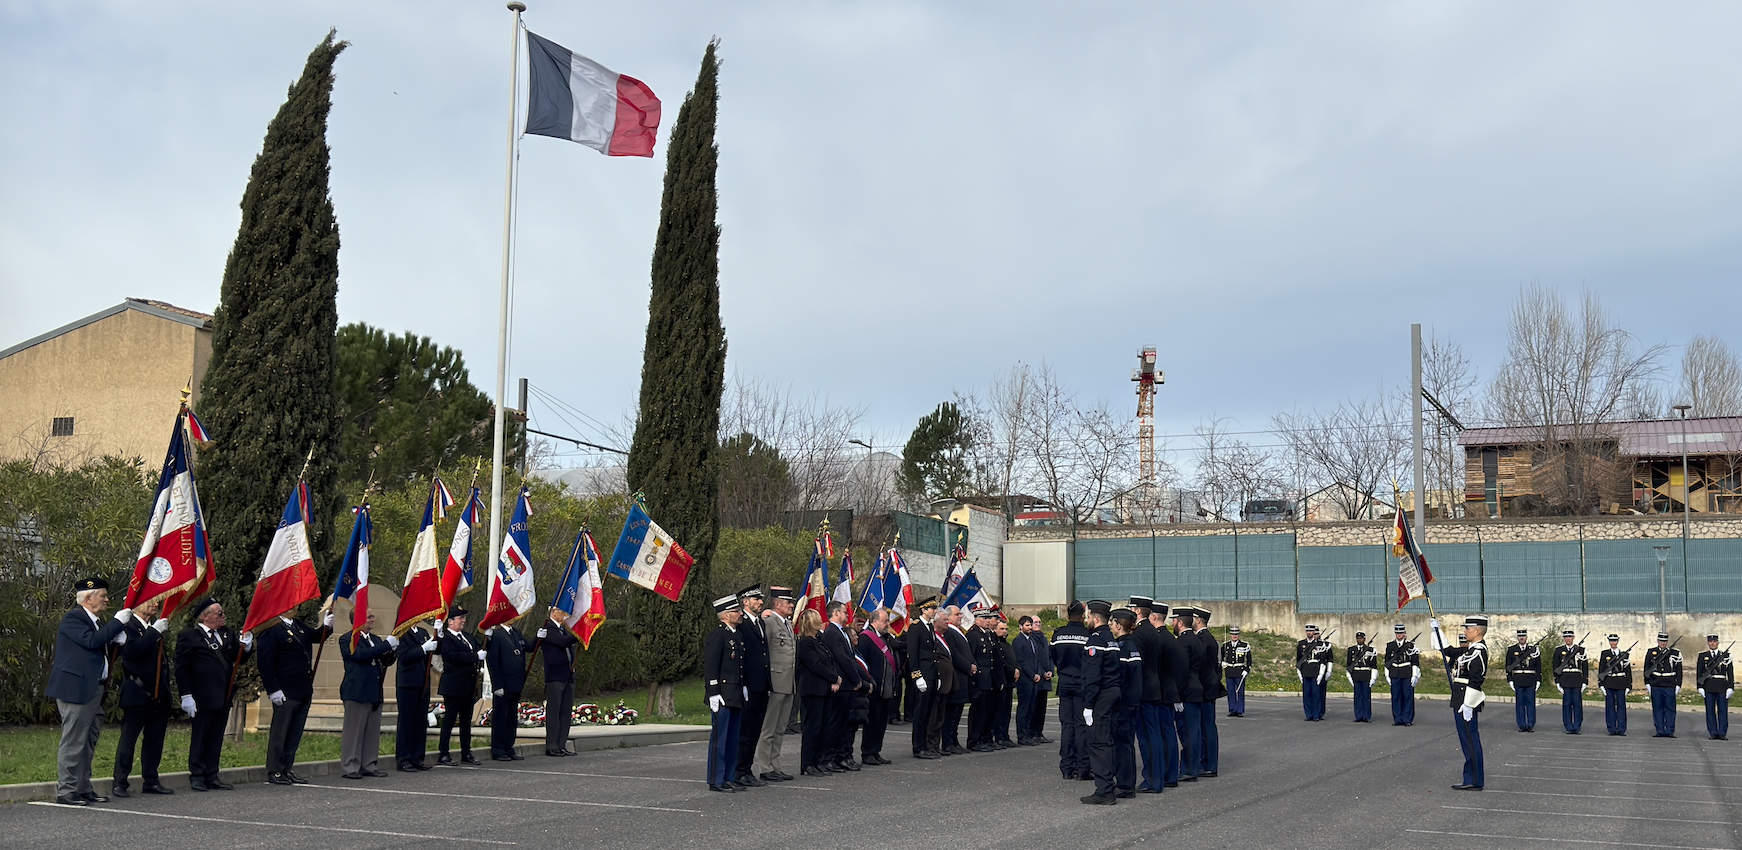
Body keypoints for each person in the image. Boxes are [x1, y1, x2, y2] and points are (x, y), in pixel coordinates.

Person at [47, 577, 132, 806]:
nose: (107, 599)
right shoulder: (74, 619)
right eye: (103, 596)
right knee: (74, 741)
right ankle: (66, 790)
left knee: (88, 741)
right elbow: (91, 642)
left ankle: (83, 788)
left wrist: (117, 643)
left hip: (94, 689)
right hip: (76, 690)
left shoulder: (95, 622)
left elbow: (97, 652)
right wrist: (116, 624)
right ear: (88, 598)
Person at [174, 597, 254, 791]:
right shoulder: (190, 636)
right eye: (219, 613)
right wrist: (186, 695)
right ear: (205, 616)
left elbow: (239, 658)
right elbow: (182, 668)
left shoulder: (226, 634)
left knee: (216, 737)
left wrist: (248, 645)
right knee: (200, 736)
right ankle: (197, 775)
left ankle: (212, 774)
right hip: (201, 696)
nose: (223, 616)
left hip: (222, 695)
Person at [255, 605, 333, 785]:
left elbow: (315, 637)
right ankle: (275, 770)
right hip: (285, 690)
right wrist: (273, 688)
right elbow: (265, 662)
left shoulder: (297, 625)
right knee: (280, 732)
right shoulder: (272, 629)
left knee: (294, 733)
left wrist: (326, 627)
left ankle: (287, 768)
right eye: (292, 603)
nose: (296, 606)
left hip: (302, 688)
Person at [113, 597, 174, 798]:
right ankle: (120, 781)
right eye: (151, 601)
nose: (156, 605)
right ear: (137, 605)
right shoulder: (127, 625)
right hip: (137, 692)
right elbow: (133, 651)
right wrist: (154, 632)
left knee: (155, 740)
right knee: (129, 739)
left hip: (159, 693)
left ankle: (151, 779)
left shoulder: (153, 627)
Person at [338, 610, 397, 779]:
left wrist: (392, 649)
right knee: (354, 731)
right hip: (356, 690)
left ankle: (368, 764)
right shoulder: (348, 639)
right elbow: (359, 655)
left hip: (374, 690)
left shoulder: (375, 639)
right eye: (369, 617)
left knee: (371, 731)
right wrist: (386, 645)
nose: (373, 619)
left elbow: (385, 660)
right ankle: (350, 766)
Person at [1079, 600, 1122, 805]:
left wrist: (1088, 704)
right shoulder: (1111, 639)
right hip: (1113, 692)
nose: (1086, 620)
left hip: (1101, 696)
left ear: (1096, 619)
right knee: (1106, 740)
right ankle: (1107, 786)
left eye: (1088, 617)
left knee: (1098, 741)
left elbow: (1092, 676)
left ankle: (1104, 790)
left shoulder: (1095, 640)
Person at [703, 594, 747, 791]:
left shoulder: (736, 635)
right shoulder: (718, 634)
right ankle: (716, 779)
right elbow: (711, 665)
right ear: (726, 615)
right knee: (720, 740)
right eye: (736, 611)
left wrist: (743, 686)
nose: (740, 614)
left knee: (732, 738)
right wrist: (713, 691)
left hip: (735, 693)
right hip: (721, 694)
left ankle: (729, 776)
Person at [755, 587, 798, 781]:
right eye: (788, 602)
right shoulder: (769, 621)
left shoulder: (787, 623)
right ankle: (765, 767)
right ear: (777, 604)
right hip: (775, 681)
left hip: (788, 682)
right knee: (769, 727)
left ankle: (775, 765)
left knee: (780, 727)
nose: (791, 605)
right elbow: (763, 653)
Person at [821, 601, 869, 770]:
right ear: (835, 613)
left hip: (847, 685)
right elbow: (843, 659)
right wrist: (857, 680)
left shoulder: (841, 632)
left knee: (843, 725)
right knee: (834, 724)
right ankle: (829, 757)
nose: (847, 614)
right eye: (843, 611)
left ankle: (841, 756)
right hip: (841, 684)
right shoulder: (832, 633)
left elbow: (851, 658)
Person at [1443, 615, 1488, 791]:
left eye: (1467, 629)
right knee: (1466, 739)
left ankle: (1474, 779)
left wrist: (1469, 704)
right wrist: (1436, 630)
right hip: (1460, 698)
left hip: (1466, 700)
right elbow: (1450, 651)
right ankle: (1471, 777)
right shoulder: (1470, 649)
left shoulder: (1479, 651)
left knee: (1470, 739)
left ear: (1476, 631)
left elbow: (1477, 679)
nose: (1465, 631)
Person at [795, 608, 841, 776]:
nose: (822, 621)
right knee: (812, 728)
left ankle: (818, 761)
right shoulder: (805, 642)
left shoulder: (819, 641)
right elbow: (815, 665)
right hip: (812, 690)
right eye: (818, 619)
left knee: (823, 727)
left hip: (824, 690)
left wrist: (833, 678)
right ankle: (808, 763)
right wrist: (834, 677)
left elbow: (829, 660)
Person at [436, 607, 485, 765]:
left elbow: (478, 648)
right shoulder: (446, 639)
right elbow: (453, 656)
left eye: (463, 618)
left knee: (466, 720)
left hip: (468, 685)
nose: (463, 620)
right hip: (454, 684)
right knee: (450, 719)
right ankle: (444, 752)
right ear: (450, 622)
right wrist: (474, 657)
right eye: (459, 618)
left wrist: (486, 641)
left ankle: (466, 751)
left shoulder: (468, 637)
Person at [733, 585, 771, 785]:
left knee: (755, 729)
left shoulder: (760, 623)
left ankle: (747, 769)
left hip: (761, 685)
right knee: (745, 731)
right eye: (756, 599)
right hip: (749, 685)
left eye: (760, 599)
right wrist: (743, 683)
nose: (760, 602)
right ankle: (739, 770)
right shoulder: (742, 623)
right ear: (745, 602)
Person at [1051, 601, 1091, 780]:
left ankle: (1067, 767)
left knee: (1067, 726)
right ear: (1083, 615)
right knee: (1081, 726)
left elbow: (1053, 657)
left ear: (1068, 615)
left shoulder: (1058, 634)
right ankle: (1083, 767)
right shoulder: (1088, 635)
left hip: (1065, 683)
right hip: (1082, 684)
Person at [907, 597, 950, 759]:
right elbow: (912, 654)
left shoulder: (929, 628)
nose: (934, 611)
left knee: (927, 713)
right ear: (924, 610)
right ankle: (918, 747)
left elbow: (933, 654)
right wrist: (917, 676)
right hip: (923, 675)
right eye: (931, 609)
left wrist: (937, 675)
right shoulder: (916, 628)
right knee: (920, 713)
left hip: (931, 674)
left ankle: (925, 745)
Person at [394, 619, 439, 771]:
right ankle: (404, 759)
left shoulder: (422, 632)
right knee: (407, 722)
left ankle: (417, 757)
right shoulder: (401, 633)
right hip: (407, 682)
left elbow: (434, 652)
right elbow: (403, 656)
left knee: (420, 721)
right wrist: (422, 649)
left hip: (422, 682)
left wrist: (439, 635)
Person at [484, 620, 531, 761]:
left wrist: (540, 636)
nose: (513, 619)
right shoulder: (496, 635)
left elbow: (529, 647)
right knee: (500, 717)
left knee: (511, 716)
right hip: (503, 684)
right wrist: (497, 684)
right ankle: (498, 749)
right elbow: (493, 660)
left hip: (516, 682)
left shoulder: (516, 633)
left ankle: (508, 747)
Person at [856, 607, 898, 765]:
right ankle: (867, 753)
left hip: (885, 687)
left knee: (881, 722)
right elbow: (860, 662)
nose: (887, 624)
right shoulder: (866, 638)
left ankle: (876, 751)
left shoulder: (885, 638)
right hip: (874, 687)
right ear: (874, 621)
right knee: (872, 722)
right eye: (885, 621)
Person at [1109, 608, 1143, 799]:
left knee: (1121, 744)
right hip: (1133, 702)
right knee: (1127, 744)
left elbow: (1120, 677)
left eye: (1113, 622)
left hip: (1123, 703)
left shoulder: (1121, 647)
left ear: (1119, 626)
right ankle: (1127, 782)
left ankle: (1123, 784)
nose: (1111, 625)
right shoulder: (1132, 645)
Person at [537, 615, 580, 757]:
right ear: (553, 611)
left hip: (568, 676)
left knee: (565, 712)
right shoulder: (548, 629)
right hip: (555, 676)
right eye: (561, 610)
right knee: (554, 712)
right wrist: (579, 633)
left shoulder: (563, 629)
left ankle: (561, 744)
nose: (565, 614)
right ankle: (552, 745)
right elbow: (562, 643)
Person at [1172, 607, 1205, 782]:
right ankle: (1194, 766)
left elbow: (1181, 670)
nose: (1172, 624)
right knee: (1194, 731)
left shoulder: (1183, 642)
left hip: (1187, 691)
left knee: (1187, 732)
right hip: (1196, 687)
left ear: (1180, 622)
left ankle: (1189, 768)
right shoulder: (1195, 639)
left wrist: (1177, 696)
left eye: (1174, 621)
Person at [1013, 615, 1055, 746]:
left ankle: (1031, 734)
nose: (1030, 627)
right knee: (1024, 709)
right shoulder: (1018, 641)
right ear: (1020, 627)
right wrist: (1032, 675)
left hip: (1035, 679)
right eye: (1027, 625)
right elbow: (1021, 662)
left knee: (1032, 709)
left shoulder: (1032, 640)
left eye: (1031, 625)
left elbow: (1038, 659)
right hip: (1025, 680)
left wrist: (1041, 673)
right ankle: (1023, 735)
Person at [940, 605, 975, 756]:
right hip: (955, 677)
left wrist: (972, 665)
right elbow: (953, 654)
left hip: (963, 677)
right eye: (957, 614)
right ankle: (948, 742)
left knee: (957, 712)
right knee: (951, 713)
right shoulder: (949, 632)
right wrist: (968, 666)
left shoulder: (959, 632)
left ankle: (954, 741)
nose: (961, 616)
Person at [1192, 607, 1221, 777]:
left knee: (1207, 727)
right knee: (1206, 726)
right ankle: (1208, 762)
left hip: (1205, 688)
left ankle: (1209, 764)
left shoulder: (1203, 639)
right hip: (1209, 687)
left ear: (1198, 620)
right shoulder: (1208, 638)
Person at [966, 607, 1000, 751]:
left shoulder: (988, 635)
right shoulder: (973, 635)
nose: (987, 621)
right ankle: (974, 740)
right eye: (984, 619)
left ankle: (985, 737)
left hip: (989, 679)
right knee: (978, 712)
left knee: (987, 711)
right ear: (977, 619)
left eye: (988, 618)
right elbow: (972, 657)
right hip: (980, 679)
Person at [1643, 633, 1684, 738]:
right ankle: (1659, 730)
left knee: (1670, 709)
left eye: (1664, 641)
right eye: (1661, 641)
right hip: (1656, 684)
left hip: (1669, 684)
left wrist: (1678, 684)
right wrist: (1647, 682)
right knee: (1657, 708)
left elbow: (1679, 670)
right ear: (1657, 641)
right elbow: (1646, 668)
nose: (1662, 643)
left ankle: (1670, 730)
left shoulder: (1675, 653)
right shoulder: (1651, 652)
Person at [1505, 629, 1542, 733]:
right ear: (1517, 637)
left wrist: (1538, 679)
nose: (1522, 638)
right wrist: (1510, 680)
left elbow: (1538, 666)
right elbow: (1508, 666)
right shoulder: (1512, 650)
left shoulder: (1533, 649)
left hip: (1530, 680)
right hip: (1518, 679)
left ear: (1526, 637)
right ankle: (1521, 725)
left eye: (1523, 636)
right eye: (1520, 636)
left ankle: (1530, 724)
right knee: (1520, 704)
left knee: (1531, 703)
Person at [1696, 634, 1733, 740]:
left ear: (1718, 643)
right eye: (1710, 641)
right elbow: (1699, 672)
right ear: (1708, 643)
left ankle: (1722, 733)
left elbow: (1730, 673)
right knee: (1710, 710)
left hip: (1722, 686)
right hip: (1709, 685)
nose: (1712, 643)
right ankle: (1713, 732)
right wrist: (1700, 687)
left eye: (1714, 641)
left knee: (1722, 710)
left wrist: (1730, 687)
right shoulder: (1703, 656)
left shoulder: (1725, 656)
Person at [1552, 630, 1589, 734]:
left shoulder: (1581, 650)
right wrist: (1557, 681)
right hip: (1565, 680)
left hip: (1577, 679)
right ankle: (1568, 726)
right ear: (1564, 638)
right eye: (1566, 637)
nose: (1568, 639)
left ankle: (1577, 726)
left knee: (1577, 705)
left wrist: (1585, 681)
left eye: (1570, 637)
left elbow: (1585, 666)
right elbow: (1555, 666)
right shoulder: (1559, 650)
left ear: (1573, 638)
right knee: (1567, 705)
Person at [1385, 625, 1420, 726]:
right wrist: (1387, 675)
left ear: (1404, 633)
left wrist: (1415, 675)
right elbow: (1387, 661)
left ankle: (1407, 719)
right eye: (1397, 633)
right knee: (1396, 696)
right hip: (1395, 673)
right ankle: (1397, 718)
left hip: (1407, 673)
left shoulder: (1411, 646)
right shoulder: (1390, 646)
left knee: (1407, 696)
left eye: (1401, 633)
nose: (1399, 635)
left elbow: (1415, 662)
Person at [1598, 634, 1633, 736]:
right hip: (1609, 682)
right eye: (1611, 641)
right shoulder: (1605, 654)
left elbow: (1628, 670)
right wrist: (1601, 684)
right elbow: (1601, 669)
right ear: (1609, 641)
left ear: (1618, 641)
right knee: (1610, 707)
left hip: (1621, 682)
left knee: (1621, 707)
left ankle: (1621, 729)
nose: (1613, 642)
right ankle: (1612, 728)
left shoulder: (1624, 655)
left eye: (1615, 641)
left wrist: (1629, 685)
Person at [991, 614, 1017, 747]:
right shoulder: (995, 644)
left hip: (1010, 681)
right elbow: (1000, 662)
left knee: (1007, 710)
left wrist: (1017, 669)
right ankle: (999, 735)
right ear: (995, 630)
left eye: (1006, 629)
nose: (1004, 631)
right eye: (1001, 629)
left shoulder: (1007, 644)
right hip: (1000, 681)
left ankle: (1005, 735)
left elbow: (1012, 659)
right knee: (999, 711)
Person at [1296, 624, 1331, 722]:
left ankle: (1316, 714)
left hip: (1315, 671)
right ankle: (1308, 714)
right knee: (1307, 695)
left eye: (1311, 631)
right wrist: (1299, 674)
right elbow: (1298, 660)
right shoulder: (1301, 644)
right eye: (1307, 631)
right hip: (1305, 671)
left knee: (1316, 694)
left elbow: (1323, 661)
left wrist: (1321, 674)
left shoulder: (1320, 645)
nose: (1309, 633)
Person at [1346, 632, 1380, 723]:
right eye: (1358, 638)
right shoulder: (1351, 650)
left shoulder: (1370, 650)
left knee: (1366, 697)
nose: (1359, 640)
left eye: (1361, 638)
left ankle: (1366, 716)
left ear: (1364, 639)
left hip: (1366, 675)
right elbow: (1349, 664)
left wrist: (1373, 678)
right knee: (1357, 697)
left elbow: (1374, 665)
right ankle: (1358, 716)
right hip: (1356, 674)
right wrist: (1350, 676)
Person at [1222, 626, 1252, 717]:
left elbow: (1249, 659)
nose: (1234, 636)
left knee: (1240, 691)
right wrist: (1222, 663)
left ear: (1239, 635)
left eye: (1236, 634)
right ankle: (1232, 709)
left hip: (1240, 671)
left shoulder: (1244, 645)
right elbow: (1220, 657)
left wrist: (1247, 670)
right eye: (1233, 634)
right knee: (1230, 691)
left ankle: (1240, 710)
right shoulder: (1226, 645)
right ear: (1230, 635)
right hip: (1229, 670)